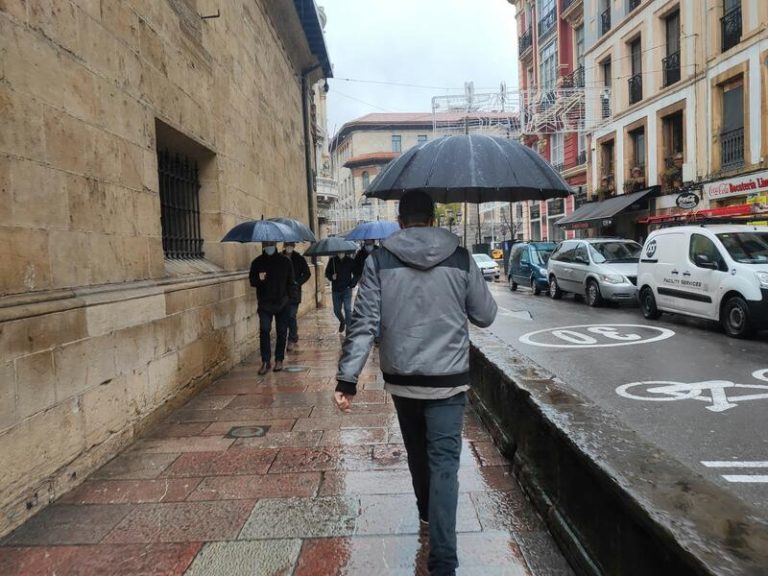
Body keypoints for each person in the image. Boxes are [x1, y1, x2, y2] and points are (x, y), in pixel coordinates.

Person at [334, 190, 497, 576]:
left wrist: (347, 378)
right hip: (449, 381)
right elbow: (486, 315)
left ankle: (427, 513)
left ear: (401, 221)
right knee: (444, 464)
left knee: (417, 453)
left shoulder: (379, 260)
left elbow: (363, 323)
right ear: (434, 219)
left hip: (403, 380)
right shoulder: (460, 256)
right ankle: (443, 563)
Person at [249, 241, 294, 375]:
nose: (268, 245)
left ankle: (279, 359)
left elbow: (291, 282)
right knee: (264, 329)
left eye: (270, 242)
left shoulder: (285, 261)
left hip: (282, 302)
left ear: (275, 243)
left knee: (281, 331)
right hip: (265, 303)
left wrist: (290, 299)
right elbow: (252, 281)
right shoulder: (257, 262)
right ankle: (265, 361)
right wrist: (260, 280)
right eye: (265, 243)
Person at [282, 242, 311, 351]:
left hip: (294, 292)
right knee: (285, 317)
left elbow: (307, 273)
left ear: (294, 246)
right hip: (283, 293)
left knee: (291, 315)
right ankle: (294, 334)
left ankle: (291, 338)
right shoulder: (280, 257)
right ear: (284, 245)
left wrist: (298, 282)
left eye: (291, 244)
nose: (289, 246)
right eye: (287, 244)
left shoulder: (299, 258)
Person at [325, 251, 356, 333]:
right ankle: (342, 321)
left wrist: (352, 284)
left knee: (347, 309)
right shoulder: (332, 261)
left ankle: (349, 330)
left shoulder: (350, 261)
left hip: (347, 289)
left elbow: (357, 274)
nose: (341, 253)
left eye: (342, 251)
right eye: (339, 251)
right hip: (336, 290)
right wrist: (331, 276)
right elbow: (327, 272)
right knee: (336, 310)